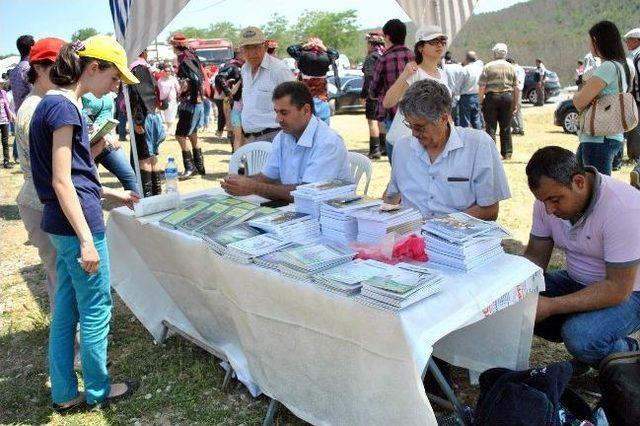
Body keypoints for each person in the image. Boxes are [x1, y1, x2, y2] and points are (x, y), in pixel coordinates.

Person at [29, 35, 140, 412]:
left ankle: (63, 392)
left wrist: (114, 195)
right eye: (113, 78)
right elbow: (62, 180)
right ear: (93, 68)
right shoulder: (65, 109)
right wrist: (87, 241)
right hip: (78, 227)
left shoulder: (50, 104)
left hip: (60, 223)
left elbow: (75, 178)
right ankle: (98, 390)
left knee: (65, 309)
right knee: (95, 307)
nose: (115, 87)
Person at [524, 146, 640, 368]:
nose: (548, 209)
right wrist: (514, 290)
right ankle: (595, 344)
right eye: (543, 201)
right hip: (578, 281)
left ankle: (628, 353)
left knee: (580, 337)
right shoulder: (546, 202)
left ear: (579, 182)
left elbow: (617, 289)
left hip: (631, 293)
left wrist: (552, 306)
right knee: (518, 303)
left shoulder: (623, 208)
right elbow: (534, 258)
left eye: (555, 200)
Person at [383, 79, 510, 221]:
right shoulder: (402, 147)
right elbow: (392, 197)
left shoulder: (479, 146)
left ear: (443, 119)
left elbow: (490, 211)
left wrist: (438, 227)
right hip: (412, 236)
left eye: (419, 127)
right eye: (409, 125)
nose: (414, 133)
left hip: (461, 237)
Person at [221, 81, 351, 202]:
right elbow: (267, 178)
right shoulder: (283, 137)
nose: (278, 119)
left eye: (284, 113)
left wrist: (253, 187)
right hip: (296, 212)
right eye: (276, 112)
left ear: (306, 110)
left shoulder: (328, 142)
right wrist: (238, 182)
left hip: (329, 217)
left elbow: (308, 195)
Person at [15, 38, 66, 311]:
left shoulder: (39, 103)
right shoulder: (37, 107)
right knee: (62, 278)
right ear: (40, 68)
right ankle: (72, 347)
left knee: (59, 275)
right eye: (59, 66)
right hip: (43, 200)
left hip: (39, 198)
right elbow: (52, 168)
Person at [573, 21, 636, 176]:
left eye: (590, 41)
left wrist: (579, 94)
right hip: (613, 135)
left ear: (596, 41)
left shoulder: (607, 67)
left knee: (597, 192)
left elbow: (579, 102)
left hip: (598, 138)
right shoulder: (625, 66)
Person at [383, 26, 450, 163]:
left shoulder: (443, 74)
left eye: (442, 41)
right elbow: (388, 102)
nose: (439, 45)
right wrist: (404, 75)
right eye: (433, 41)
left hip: (431, 142)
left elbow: (445, 111)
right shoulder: (414, 72)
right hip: (406, 142)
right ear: (420, 48)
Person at [369, 19, 415, 162]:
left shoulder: (384, 59)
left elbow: (373, 90)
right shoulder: (415, 57)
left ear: (387, 37)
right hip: (415, 114)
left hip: (393, 113)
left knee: (396, 160)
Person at [239, 26, 294, 143]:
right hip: (251, 138)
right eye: (247, 48)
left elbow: (295, 103)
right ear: (242, 50)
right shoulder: (244, 69)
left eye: (256, 47)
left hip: (276, 137)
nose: (252, 53)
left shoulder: (279, 69)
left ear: (265, 46)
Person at [81, 92, 139, 193]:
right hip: (90, 144)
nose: (117, 83)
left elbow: (109, 114)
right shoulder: (85, 92)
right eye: (115, 79)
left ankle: (139, 207)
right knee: (90, 185)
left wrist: (112, 134)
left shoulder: (107, 89)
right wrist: (105, 135)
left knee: (129, 177)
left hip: (108, 143)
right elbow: (85, 118)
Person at [128, 49, 166, 196]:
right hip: (151, 115)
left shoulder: (137, 68)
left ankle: (149, 197)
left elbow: (137, 95)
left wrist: (138, 120)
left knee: (144, 158)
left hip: (144, 118)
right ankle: (155, 195)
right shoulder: (146, 68)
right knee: (151, 157)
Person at [170, 33, 206, 179]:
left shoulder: (184, 58)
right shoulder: (191, 55)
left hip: (190, 103)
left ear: (175, 46)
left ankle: (190, 167)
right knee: (192, 133)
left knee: (180, 135)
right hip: (195, 101)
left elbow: (196, 78)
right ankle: (199, 165)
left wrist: (187, 91)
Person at [478, 42, 519, 160]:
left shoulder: (488, 67)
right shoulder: (511, 67)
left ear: (495, 53)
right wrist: (515, 103)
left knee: (490, 127)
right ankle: (507, 153)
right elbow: (516, 88)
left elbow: (482, 87)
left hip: (491, 97)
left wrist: (480, 101)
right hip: (507, 98)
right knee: (506, 126)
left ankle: (491, 153)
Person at [287, 37, 339, 125]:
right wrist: (323, 47)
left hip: (304, 101)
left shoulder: (302, 56)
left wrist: (305, 45)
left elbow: (290, 49)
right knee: (323, 130)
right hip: (322, 100)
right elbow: (336, 54)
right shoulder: (327, 57)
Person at [9, 35, 35, 162]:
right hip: (33, 117)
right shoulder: (29, 69)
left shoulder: (14, 71)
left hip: (21, 115)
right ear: (32, 48)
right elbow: (35, 93)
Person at [361, 31, 387, 159]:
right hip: (385, 95)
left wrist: (363, 95)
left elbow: (369, 78)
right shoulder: (384, 55)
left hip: (373, 95)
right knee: (381, 121)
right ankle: (384, 147)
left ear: (371, 44)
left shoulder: (371, 57)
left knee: (372, 122)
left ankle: (375, 150)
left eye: (368, 43)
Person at [624, 27, 640, 188]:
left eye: (629, 40)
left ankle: (635, 155)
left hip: (637, 98)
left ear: (637, 40)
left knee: (635, 128)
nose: (627, 43)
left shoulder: (637, 57)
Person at [458, 51, 484, 129]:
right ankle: (478, 138)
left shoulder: (465, 69)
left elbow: (459, 84)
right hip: (477, 96)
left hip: (466, 97)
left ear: (466, 58)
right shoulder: (480, 69)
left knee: (465, 121)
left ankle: (466, 139)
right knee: (476, 120)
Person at [158, 63, 180, 133]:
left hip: (172, 100)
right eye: (166, 71)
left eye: (169, 71)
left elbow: (178, 88)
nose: (167, 72)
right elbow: (158, 89)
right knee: (165, 114)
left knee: (171, 113)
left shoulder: (174, 79)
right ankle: (168, 127)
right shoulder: (160, 80)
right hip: (163, 100)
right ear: (163, 71)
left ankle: (170, 128)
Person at [506, 57, 526, 135]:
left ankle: (516, 127)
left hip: (512, 90)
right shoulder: (521, 69)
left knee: (509, 110)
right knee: (518, 110)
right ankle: (520, 128)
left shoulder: (512, 69)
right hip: (519, 90)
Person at [0, 84, 15, 168]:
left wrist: (11, 116)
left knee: (5, 142)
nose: (1, 85)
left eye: (1, 84)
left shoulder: (3, 93)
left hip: (4, 120)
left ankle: (6, 161)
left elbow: (7, 106)